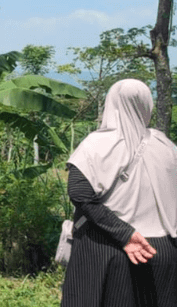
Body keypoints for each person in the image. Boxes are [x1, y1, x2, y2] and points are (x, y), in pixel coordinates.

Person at [62, 79, 177, 307]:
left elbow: (79, 193)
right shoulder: (166, 146)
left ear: (110, 104)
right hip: (163, 250)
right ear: (148, 105)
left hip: (108, 250)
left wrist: (125, 234)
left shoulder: (96, 145)